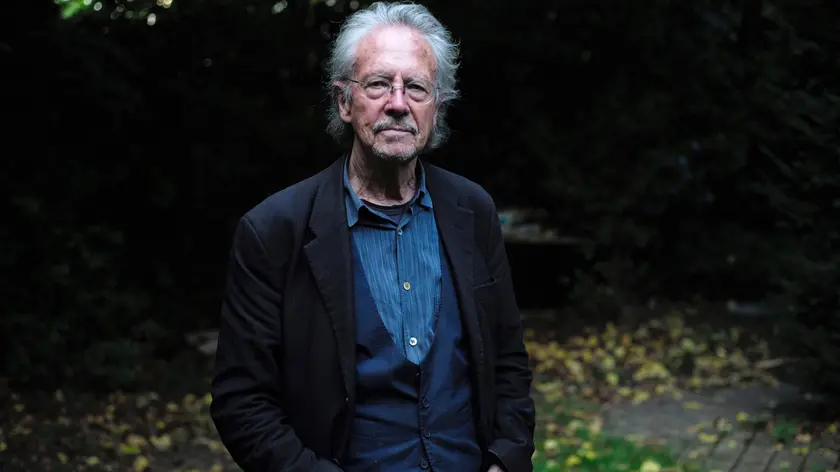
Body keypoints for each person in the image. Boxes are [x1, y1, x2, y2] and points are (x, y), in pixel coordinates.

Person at [209, 2, 535, 471]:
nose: (398, 103)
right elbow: (242, 403)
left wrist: (505, 459)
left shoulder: (473, 211)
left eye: (417, 88)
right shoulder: (273, 230)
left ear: (436, 108)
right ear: (344, 101)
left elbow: (508, 362)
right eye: (379, 84)